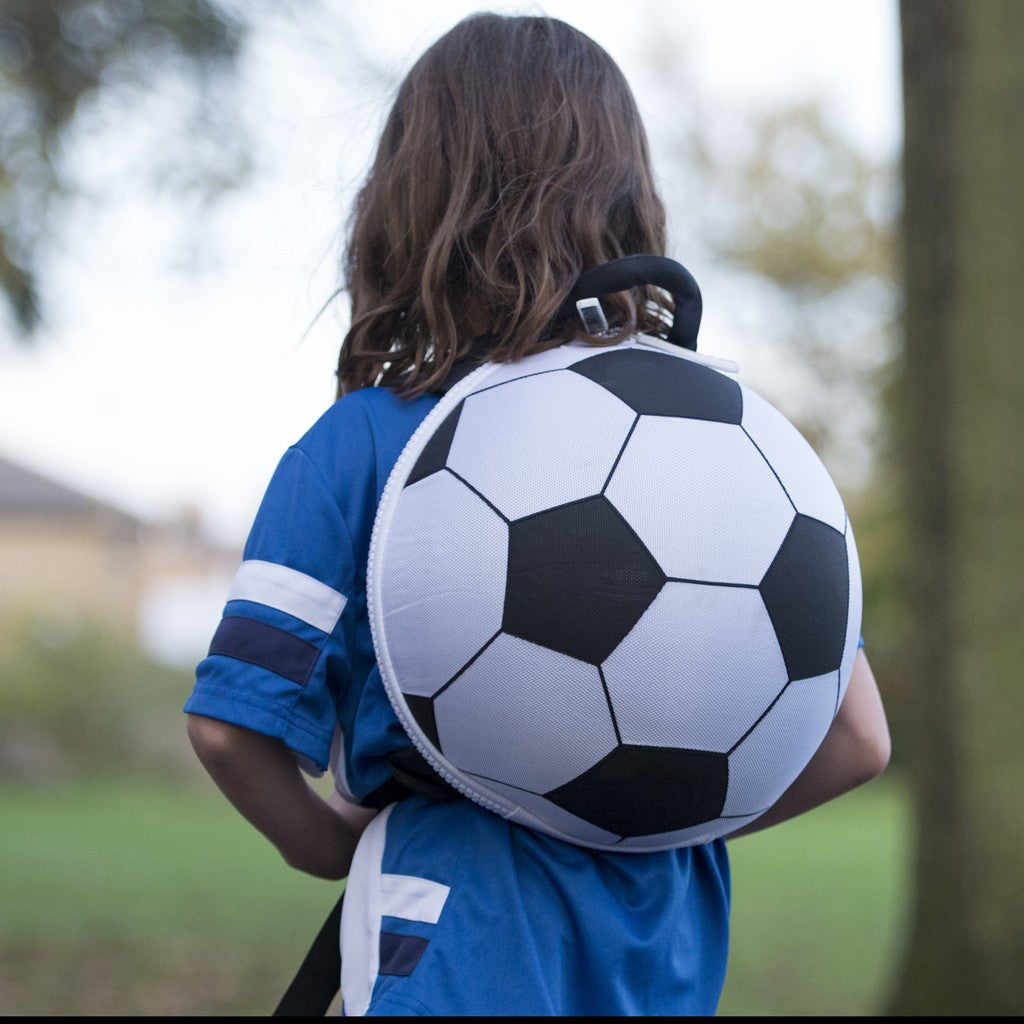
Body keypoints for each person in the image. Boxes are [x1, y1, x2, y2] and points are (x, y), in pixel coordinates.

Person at [184, 12, 891, 1016]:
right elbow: (857, 739)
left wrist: (330, 847)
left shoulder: (367, 443)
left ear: (412, 193)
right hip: (662, 953)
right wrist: (652, 815)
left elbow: (230, 728)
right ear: (628, 195)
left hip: (450, 937)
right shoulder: (723, 459)